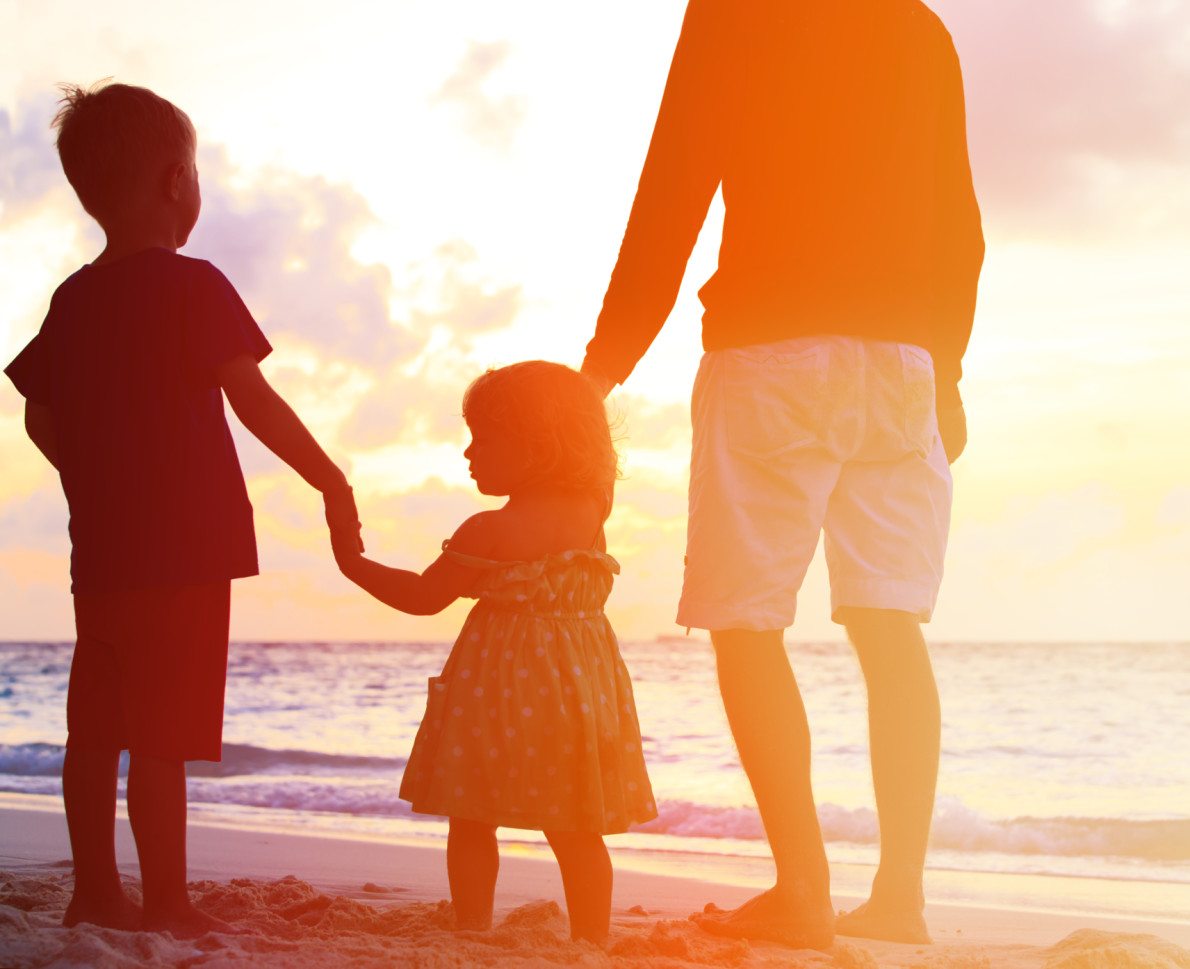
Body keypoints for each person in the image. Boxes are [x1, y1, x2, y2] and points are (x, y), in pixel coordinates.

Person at [579, 0, 984, 949]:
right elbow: (958, 223)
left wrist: (604, 364)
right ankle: (902, 899)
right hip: (901, 363)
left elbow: (674, 182)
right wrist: (949, 373)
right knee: (892, 627)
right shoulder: (921, 29)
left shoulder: (732, 14)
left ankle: (803, 886)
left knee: (746, 620)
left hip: (771, 349)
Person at [4, 82, 362, 938]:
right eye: (196, 171)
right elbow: (255, 400)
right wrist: (330, 479)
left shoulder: (72, 297)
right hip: (188, 548)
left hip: (104, 551)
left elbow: (35, 411)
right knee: (161, 737)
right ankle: (165, 898)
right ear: (177, 181)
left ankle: (96, 891)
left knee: (93, 728)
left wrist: (89, 475)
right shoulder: (196, 285)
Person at [332, 361, 656, 943]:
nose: (468, 453)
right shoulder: (594, 512)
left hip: (496, 691)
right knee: (578, 827)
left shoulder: (488, 530)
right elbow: (588, 444)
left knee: (473, 812)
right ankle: (591, 940)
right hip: (577, 689)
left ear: (536, 444)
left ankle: (472, 927)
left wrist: (353, 563)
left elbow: (423, 597)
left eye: (483, 437)